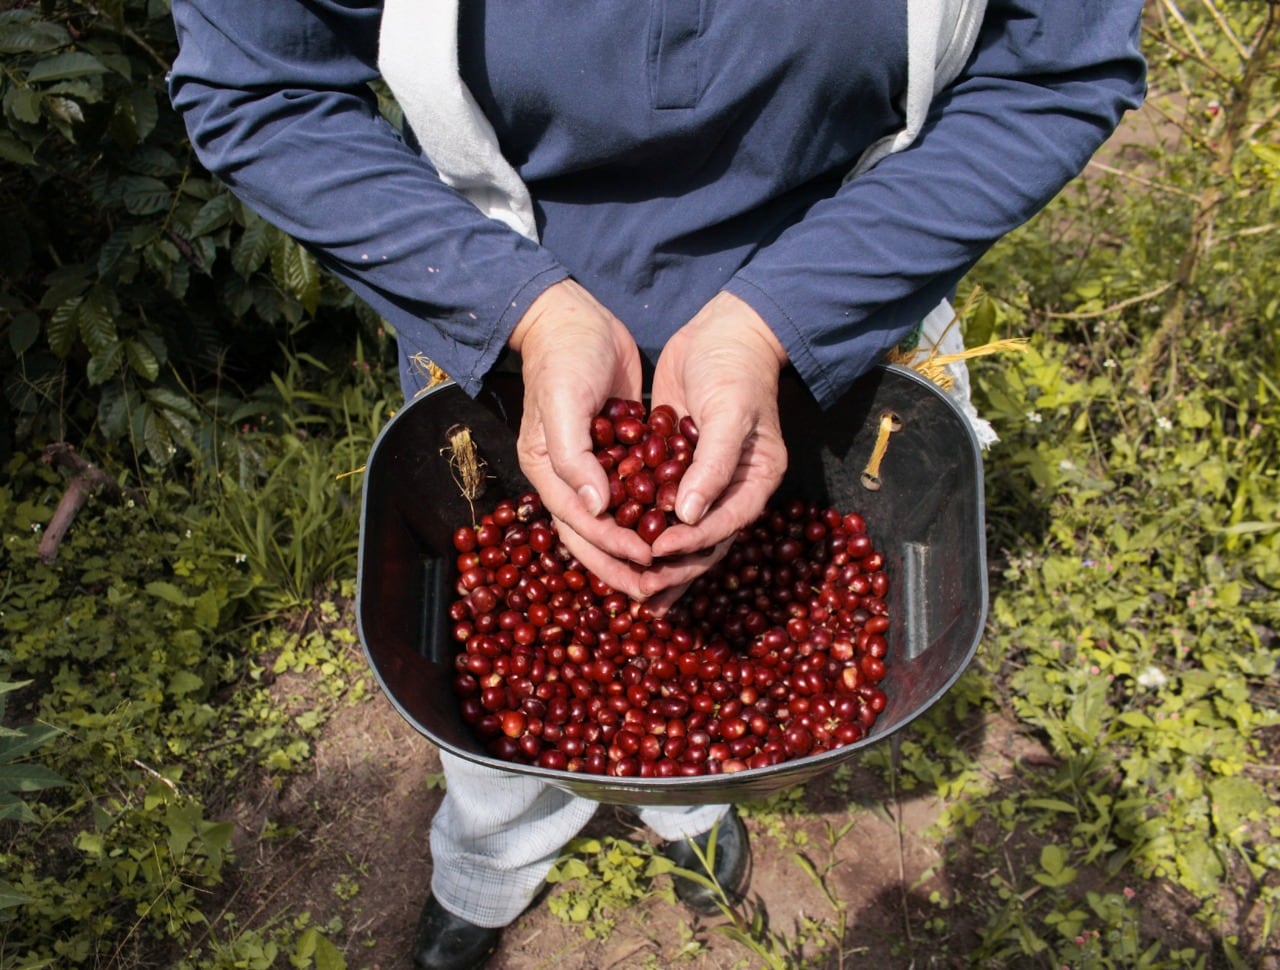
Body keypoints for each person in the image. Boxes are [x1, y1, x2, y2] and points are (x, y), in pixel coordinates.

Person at [168, 2, 1146, 967]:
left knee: (714, 650)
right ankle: (488, 862)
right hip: (499, 343)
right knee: (506, 704)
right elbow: (262, 88)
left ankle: (687, 803)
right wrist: (523, 312)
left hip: (838, 337)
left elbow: (1050, 67)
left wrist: (778, 318)